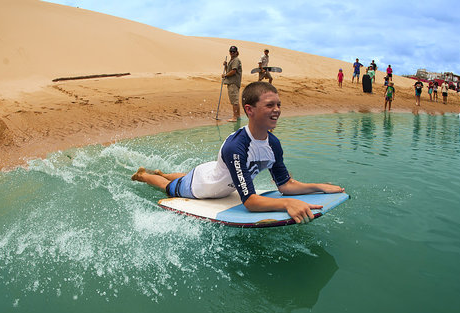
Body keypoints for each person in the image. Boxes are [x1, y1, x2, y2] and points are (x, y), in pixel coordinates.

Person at [131, 82, 345, 224]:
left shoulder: (274, 144)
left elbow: (285, 184)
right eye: (269, 105)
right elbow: (250, 202)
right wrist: (287, 203)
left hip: (212, 175)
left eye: (278, 104)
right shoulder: (237, 147)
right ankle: (145, 175)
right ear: (249, 110)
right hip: (200, 188)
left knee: (187, 175)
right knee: (168, 187)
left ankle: (164, 171)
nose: (277, 109)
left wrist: (319, 187)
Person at [222, 45, 243, 122]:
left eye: (233, 52)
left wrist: (225, 75)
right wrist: (226, 66)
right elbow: (230, 70)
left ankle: (234, 117)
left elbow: (233, 71)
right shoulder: (233, 60)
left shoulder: (236, 60)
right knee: (235, 100)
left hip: (233, 83)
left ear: (236, 52)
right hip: (233, 83)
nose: (232, 53)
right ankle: (238, 116)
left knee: (234, 101)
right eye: (231, 51)